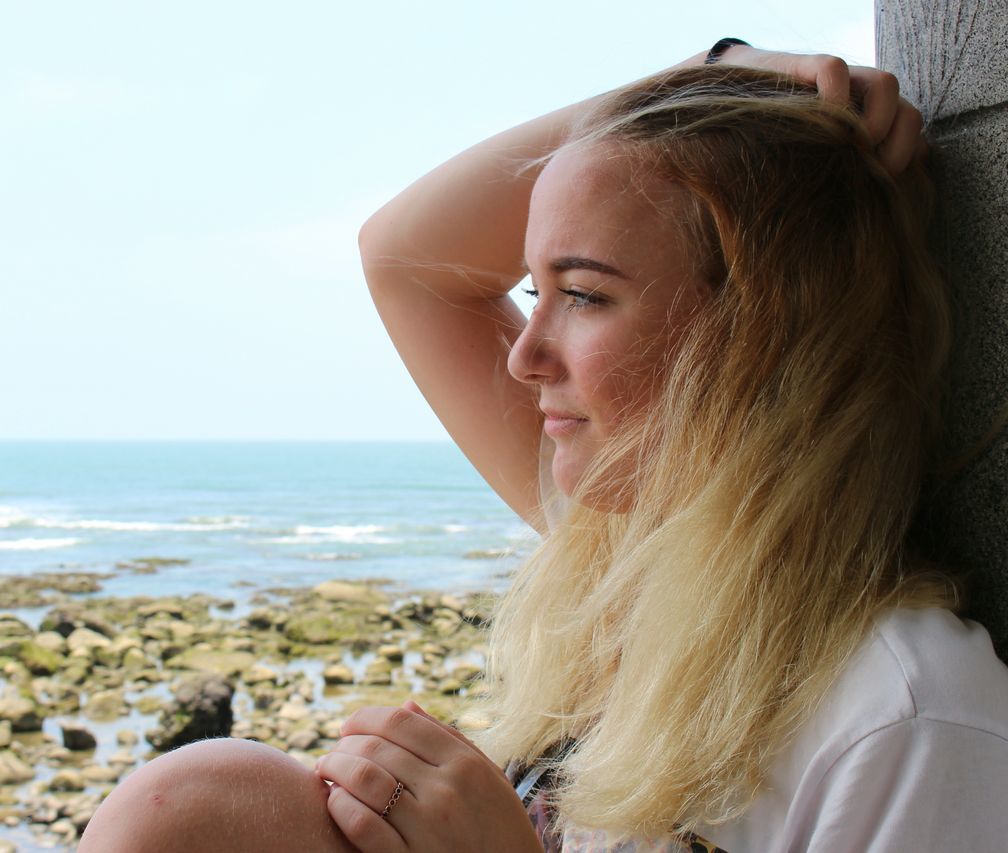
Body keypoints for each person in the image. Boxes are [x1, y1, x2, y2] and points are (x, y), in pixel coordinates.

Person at [79, 41, 1008, 852]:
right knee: (195, 803)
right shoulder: (633, 562)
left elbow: (408, 262)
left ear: (767, 332)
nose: (525, 356)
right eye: (534, 292)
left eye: (587, 295)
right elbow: (404, 258)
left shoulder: (908, 719)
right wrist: (709, 77)